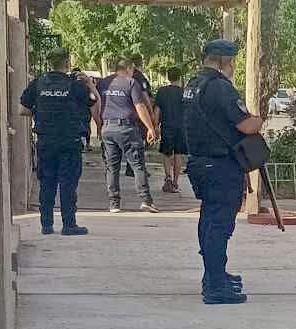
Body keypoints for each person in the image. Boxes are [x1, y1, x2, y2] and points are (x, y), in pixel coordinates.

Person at [183, 39, 262, 305]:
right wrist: (259, 119)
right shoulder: (219, 87)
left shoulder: (194, 85)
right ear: (224, 61)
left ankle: (214, 275)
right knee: (219, 226)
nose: (233, 67)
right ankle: (215, 287)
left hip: (199, 162)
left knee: (208, 221)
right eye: (232, 62)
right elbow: (246, 125)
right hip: (220, 165)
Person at [19, 47, 95, 236]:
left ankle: (46, 225)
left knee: (47, 183)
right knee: (68, 184)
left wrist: (39, 112)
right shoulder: (75, 85)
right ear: (67, 62)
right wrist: (89, 83)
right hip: (69, 141)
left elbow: (22, 110)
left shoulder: (38, 83)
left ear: (49, 62)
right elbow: (93, 100)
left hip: (46, 141)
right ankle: (69, 224)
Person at [96, 60, 157, 214]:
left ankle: (114, 203)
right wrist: (150, 127)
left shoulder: (103, 83)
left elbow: (97, 104)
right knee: (138, 165)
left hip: (108, 127)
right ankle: (146, 200)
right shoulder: (131, 83)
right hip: (127, 128)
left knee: (111, 167)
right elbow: (140, 106)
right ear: (129, 69)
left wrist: (99, 124)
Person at [155, 67, 187, 193]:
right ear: (180, 77)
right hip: (181, 127)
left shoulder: (162, 91)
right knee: (178, 154)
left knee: (166, 153)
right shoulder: (184, 92)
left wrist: (155, 126)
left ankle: (168, 177)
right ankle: (175, 181)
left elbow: (157, 110)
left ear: (168, 77)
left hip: (167, 125)